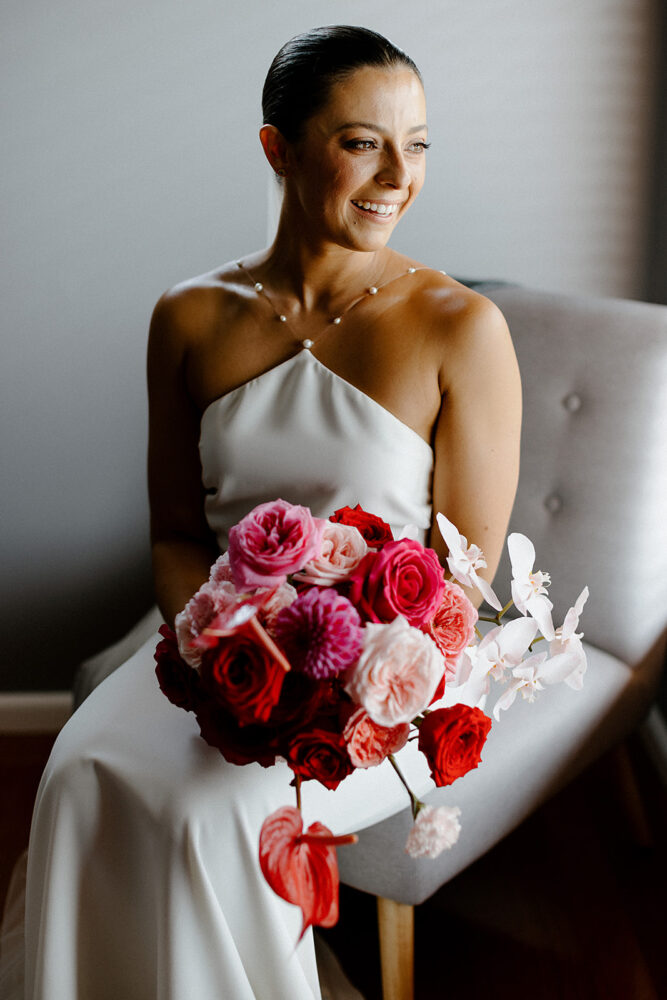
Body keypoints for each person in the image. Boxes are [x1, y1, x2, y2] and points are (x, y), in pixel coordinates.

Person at [12, 25, 521, 1000]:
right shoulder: (189, 316)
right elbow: (173, 534)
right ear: (276, 148)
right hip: (221, 651)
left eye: (417, 143)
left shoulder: (462, 328)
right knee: (80, 772)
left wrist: (343, 691)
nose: (396, 175)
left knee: (213, 815)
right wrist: (216, 654)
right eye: (360, 141)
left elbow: (467, 572)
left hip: (390, 679)